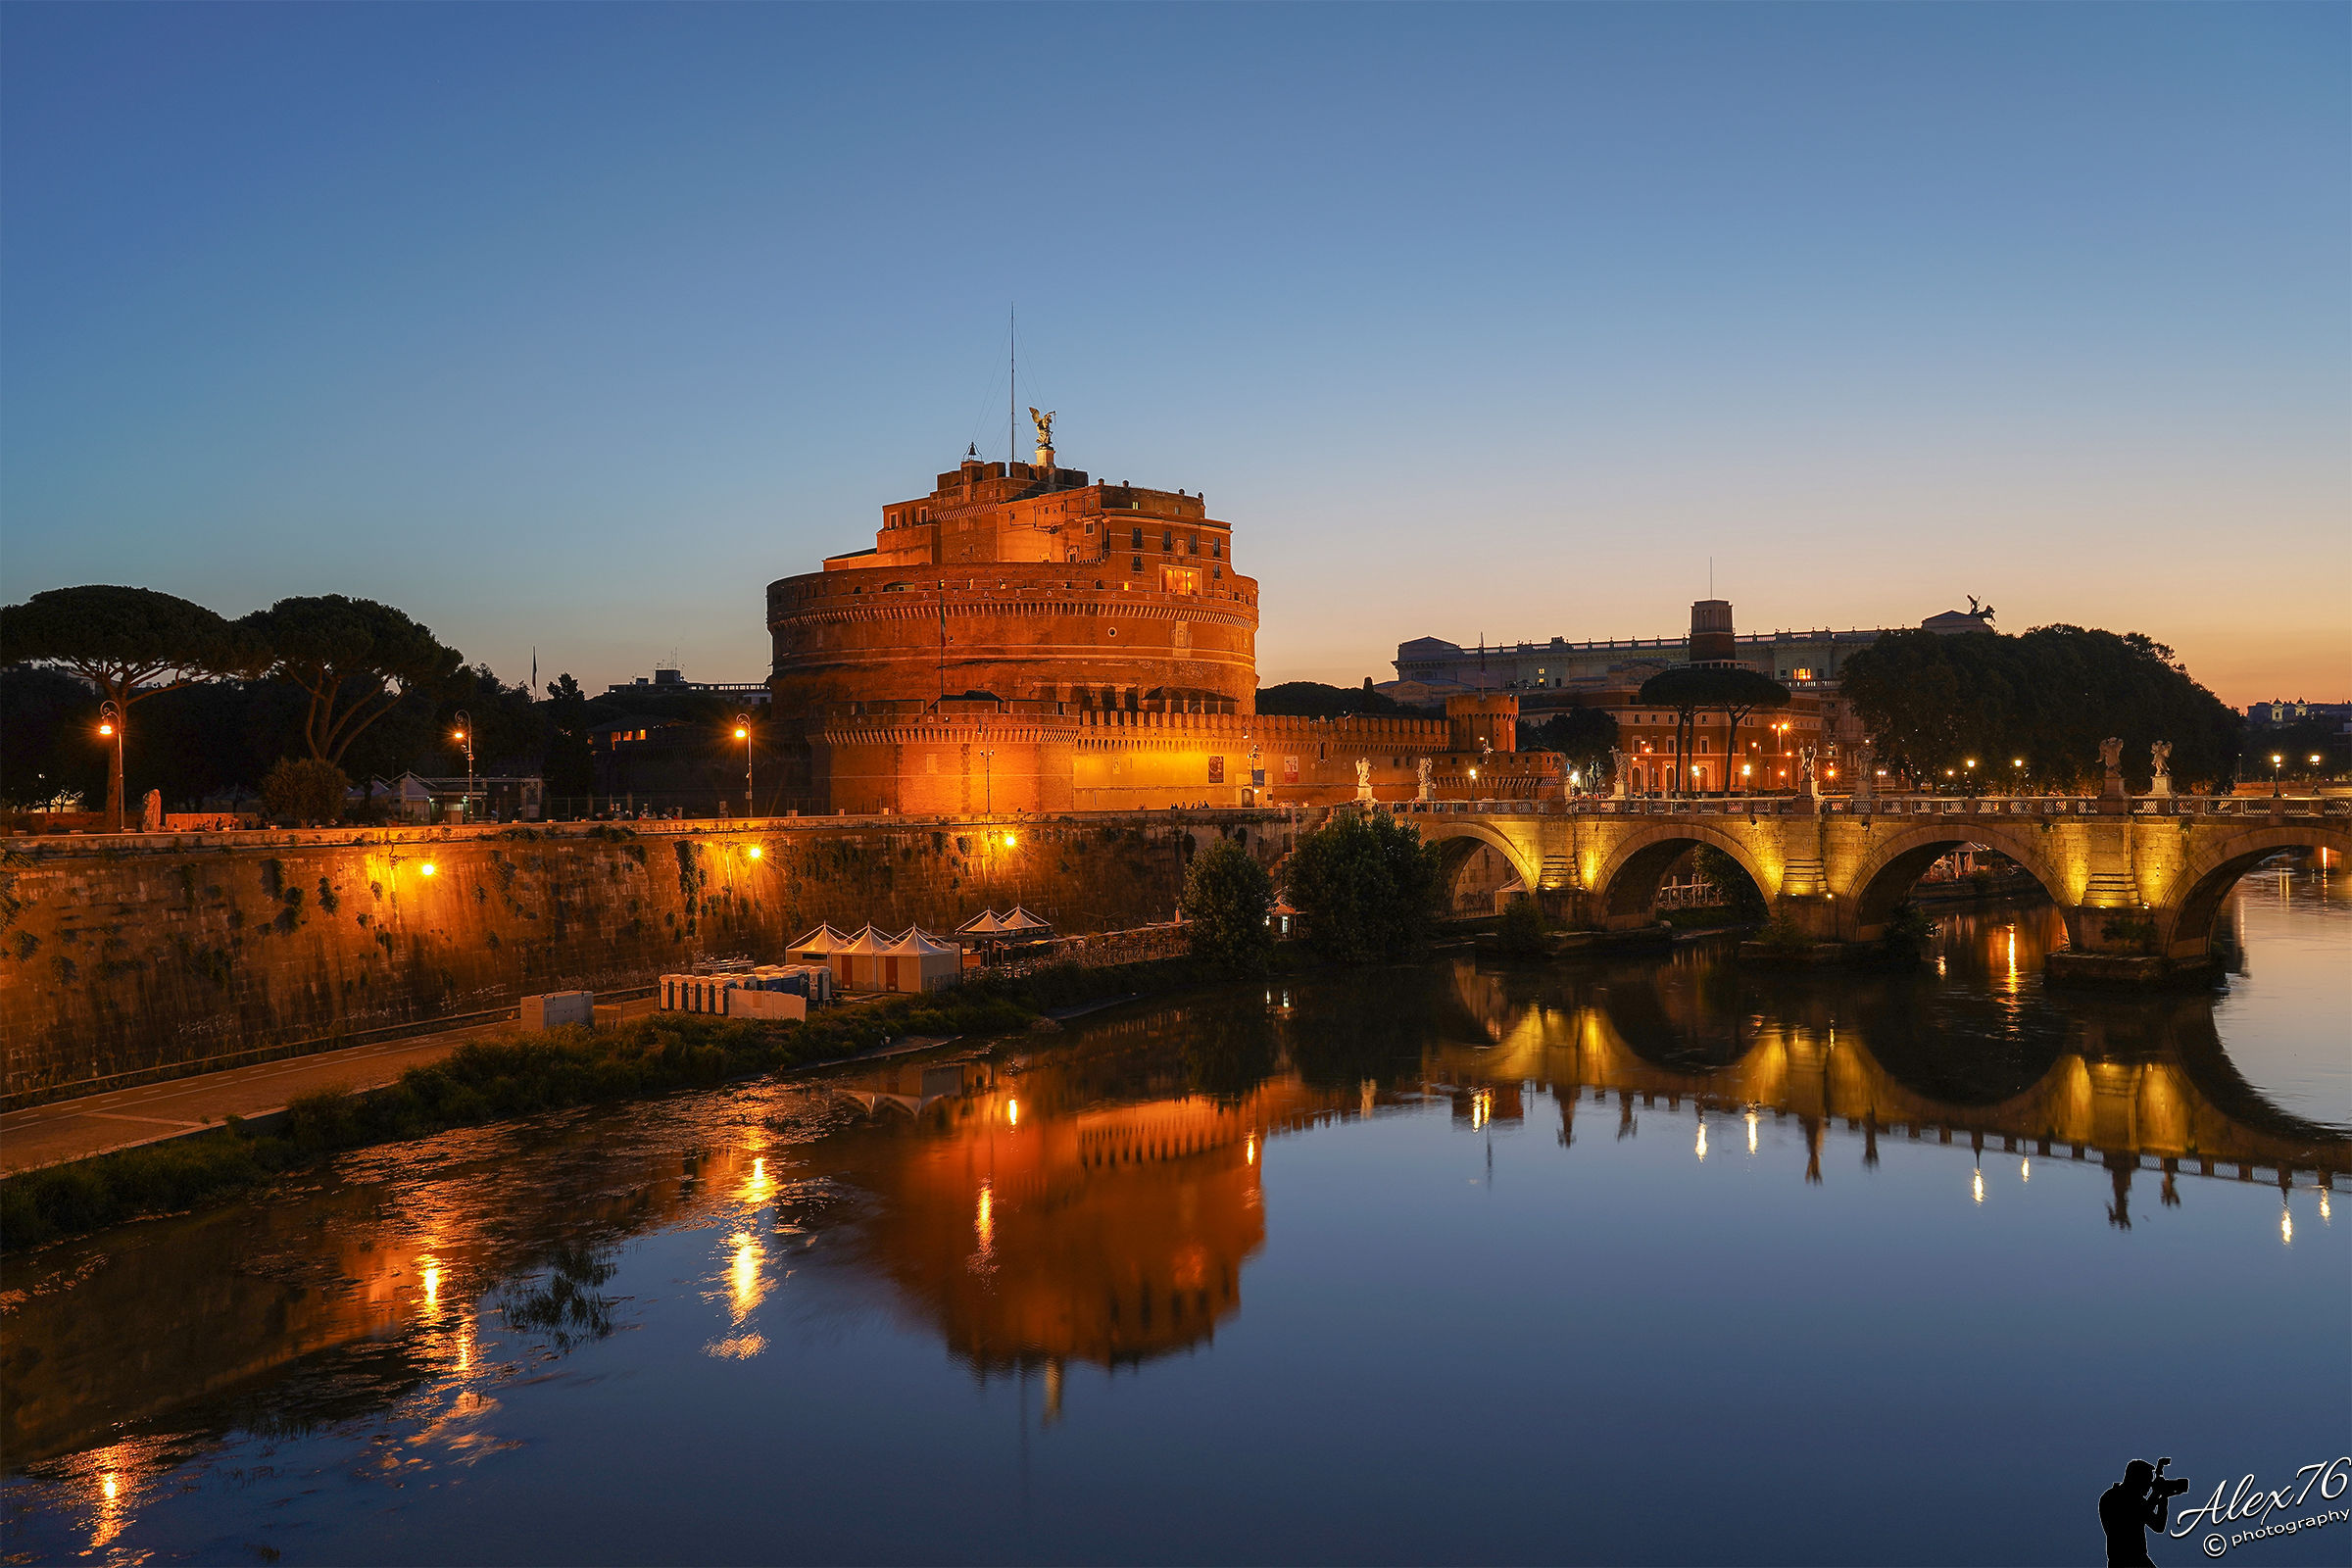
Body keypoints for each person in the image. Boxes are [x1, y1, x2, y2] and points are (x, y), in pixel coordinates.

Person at [2097, 1459, 2172, 1566]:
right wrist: (2162, 1497)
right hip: (2133, 1560)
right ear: (2138, 1479)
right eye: (2148, 1481)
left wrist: (2159, 1495)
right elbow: (2157, 1525)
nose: (2150, 1486)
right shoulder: (2125, 1499)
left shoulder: (2109, 1496)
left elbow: (2140, 1512)